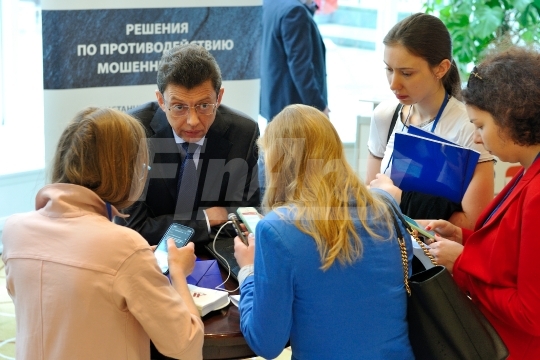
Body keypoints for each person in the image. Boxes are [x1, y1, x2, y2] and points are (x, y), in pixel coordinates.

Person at [1, 107, 204, 360]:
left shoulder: (13, 230)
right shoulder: (126, 246)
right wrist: (177, 272)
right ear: (123, 171)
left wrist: (136, 263)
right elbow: (186, 345)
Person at [233, 104, 414, 359]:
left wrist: (248, 271)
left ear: (276, 163)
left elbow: (266, 344)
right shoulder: (385, 208)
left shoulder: (275, 230)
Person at [418, 46, 540, 359]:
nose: (475, 138)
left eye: (481, 126)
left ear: (512, 117)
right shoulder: (528, 171)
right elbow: (514, 254)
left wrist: (462, 265)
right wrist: (464, 238)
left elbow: (531, 314)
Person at [117, 43, 260, 245]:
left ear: (219, 98)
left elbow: (242, 223)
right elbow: (133, 228)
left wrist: (164, 226)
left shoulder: (243, 133)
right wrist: (205, 220)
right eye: (179, 107)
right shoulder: (132, 132)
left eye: (203, 105)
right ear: (160, 101)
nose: (193, 120)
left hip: (218, 257)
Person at [366, 13, 494, 230]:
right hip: (388, 250)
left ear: (441, 68)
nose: (393, 84)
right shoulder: (385, 116)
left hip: (437, 260)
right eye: (389, 69)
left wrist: (399, 199)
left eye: (406, 73)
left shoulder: (470, 128)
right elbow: (370, 200)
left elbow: (472, 225)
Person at [260, 0, 329, 122]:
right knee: (292, 142)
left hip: (276, 106)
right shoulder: (295, 12)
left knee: (278, 141)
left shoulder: (270, 3)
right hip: (295, 114)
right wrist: (319, 107)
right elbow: (301, 67)